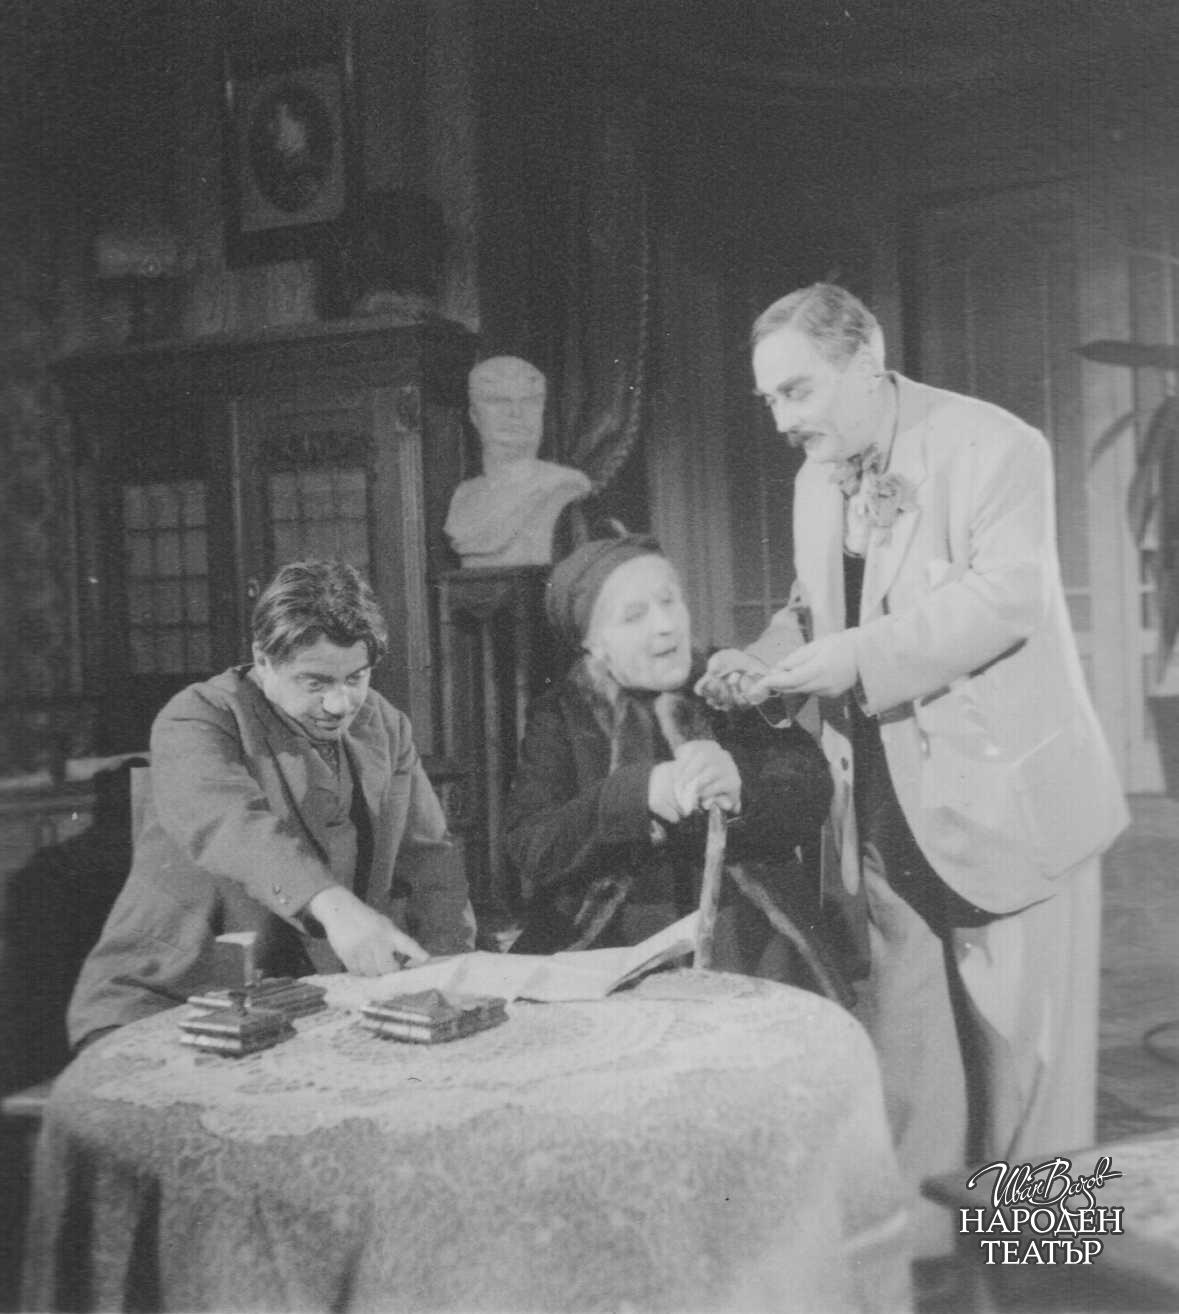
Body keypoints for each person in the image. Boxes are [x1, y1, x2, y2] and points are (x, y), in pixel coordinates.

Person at [697, 283, 1129, 1247]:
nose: (781, 421)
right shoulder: (817, 479)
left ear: (865, 363)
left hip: (1011, 816)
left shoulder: (995, 446)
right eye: (768, 400)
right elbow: (815, 609)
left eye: (796, 392)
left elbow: (1003, 600)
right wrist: (762, 662)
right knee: (914, 1075)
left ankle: (1042, 1282)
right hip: (887, 819)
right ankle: (927, 1279)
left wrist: (850, 657)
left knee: (1027, 1095)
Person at [68, 560, 475, 1050]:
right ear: (263, 660)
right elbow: (230, 823)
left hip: (311, 1006)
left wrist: (449, 972)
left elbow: (431, 861)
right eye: (315, 683)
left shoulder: (385, 725)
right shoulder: (198, 717)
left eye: (356, 677)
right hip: (172, 998)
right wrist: (337, 909)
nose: (340, 704)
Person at [504, 532, 836, 984]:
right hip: (614, 951)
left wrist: (743, 786)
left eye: (669, 601)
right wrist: (634, 794)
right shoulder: (562, 715)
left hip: (747, 942)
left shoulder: (730, 683)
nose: (664, 625)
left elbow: (811, 790)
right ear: (592, 644)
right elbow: (532, 846)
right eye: (633, 615)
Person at [444, 355, 592, 568]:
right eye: (499, 401)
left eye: (529, 402)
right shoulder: (464, 496)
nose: (516, 413)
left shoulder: (563, 484)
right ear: (474, 415)